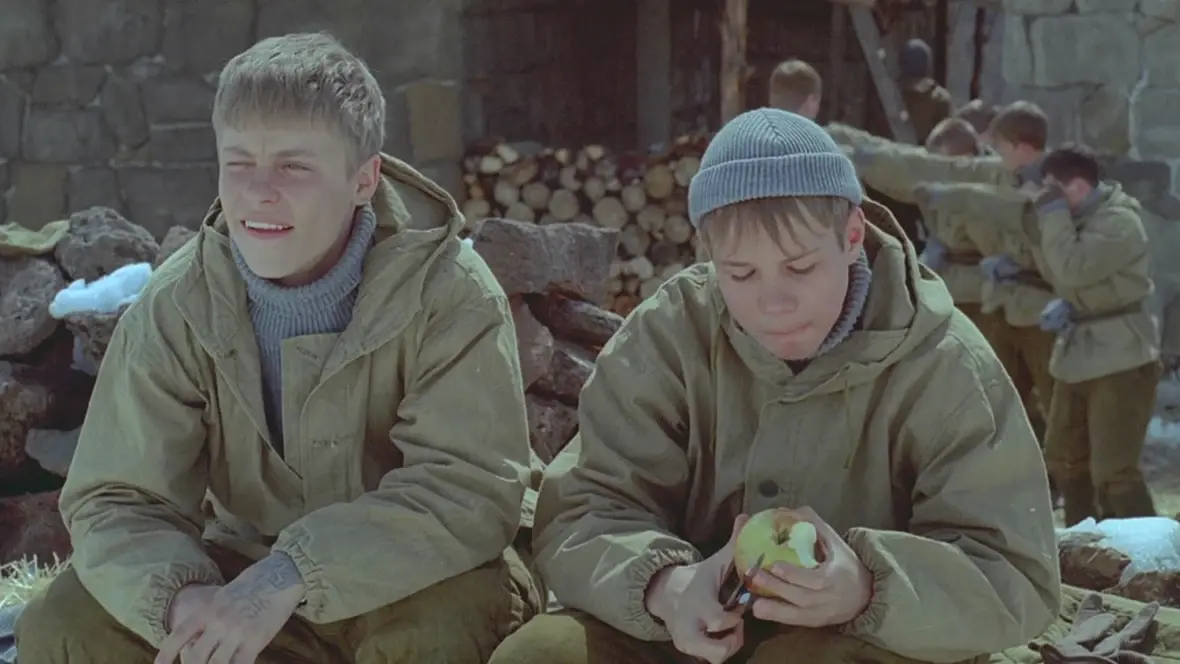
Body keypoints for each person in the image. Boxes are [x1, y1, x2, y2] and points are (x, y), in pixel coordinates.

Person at [15, 32, 540, 664]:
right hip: (243, 572)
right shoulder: (180, 301)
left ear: (364, 179)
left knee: (437, 627)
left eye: (294, 166)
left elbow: (468, 491)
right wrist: (184, 602)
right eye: (238, 163)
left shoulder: (449, 290)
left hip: (413, 578)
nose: (258, 191)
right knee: (63, 623)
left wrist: (290, 575)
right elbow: (118, 497)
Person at [487, 108, 1059, 664]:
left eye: (800, 268)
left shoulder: (945, 364)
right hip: (683, 635)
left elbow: (1015, 575)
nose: (774, 303)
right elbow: (583, 508)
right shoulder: (668, 334)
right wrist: (666, 586)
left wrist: (868, 587)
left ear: (852, 235)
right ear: (709, 254)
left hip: (865, 643)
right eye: (741, 274)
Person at [830, 100, 1058, 446]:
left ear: (1022, 149)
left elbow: (996, 203)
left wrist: (953, 198)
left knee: (1053, 408)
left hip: (1040, 310)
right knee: (994, 400)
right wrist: (860, 152)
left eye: (1001, 149)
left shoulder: (1056, 183)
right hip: (1005, 305)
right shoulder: (1001, 173)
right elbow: (932, 167)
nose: (995, 155)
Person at [1026, 144, 1159, 524]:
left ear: (1078, 187)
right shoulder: (1079, 219)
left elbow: (1072, 268)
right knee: (1066, 459)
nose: (1049, 200)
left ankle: (1151, 551)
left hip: (1120, 355)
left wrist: (1052, 214)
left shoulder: (1120, 222)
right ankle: (1081, 540)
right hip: (1078, 352)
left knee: (1114, 472)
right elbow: (1063, 275)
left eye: (1054, 190)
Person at [897, 39, 954, 146]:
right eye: (908, 80)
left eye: (916, 80)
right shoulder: (893, 95)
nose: (911, 86)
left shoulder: (940, 99)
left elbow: (944, 141)